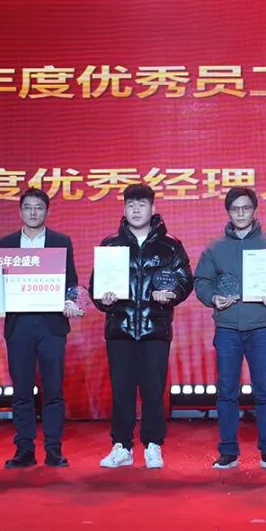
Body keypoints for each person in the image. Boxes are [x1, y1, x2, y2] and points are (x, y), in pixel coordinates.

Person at [90, 184, 193, 469]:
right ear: (124, 209)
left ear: (153, 208)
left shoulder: (171, 245)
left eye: (142, 204)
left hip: (154, 329)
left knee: (153, 391)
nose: (136, 210)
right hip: (120, 329)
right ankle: (121, 446)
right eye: (131, 205)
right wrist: (103, 299)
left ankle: (153, 445)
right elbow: (96, 285)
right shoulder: (111, 245)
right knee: (121, 391)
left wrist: (172, 294)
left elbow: (185, 281)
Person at [194, 187, 266, 470]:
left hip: (260, 326)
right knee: (227, 390)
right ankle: (228, 451)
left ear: (254, 210)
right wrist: (213, 297)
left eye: (246, 208)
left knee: (265, 391)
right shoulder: (215, 247)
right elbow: (201, 281)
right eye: (235, 209)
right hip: (227, 327)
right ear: (228, 211)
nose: (240, 214)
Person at [0, 188, 84, 469]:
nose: (33, 212)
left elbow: (71, 281)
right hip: (19, 324)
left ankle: (54, 449)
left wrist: (71, 301)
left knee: (53, 390)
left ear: (47, 211)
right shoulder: (7, 243)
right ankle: (24, 449)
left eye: (39, 208)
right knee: (21, 391)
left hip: (51, 325)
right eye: (28, 207)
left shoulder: (61, 241)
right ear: (20, 211)